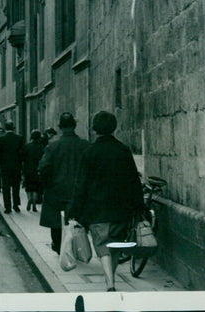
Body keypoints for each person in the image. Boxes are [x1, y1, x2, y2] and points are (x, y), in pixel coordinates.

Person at [69, 111, 145, 292]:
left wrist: (75, 211)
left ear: (95, 129)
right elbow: (133, 181)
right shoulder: (123, 150)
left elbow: (81, 185)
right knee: (116, 245)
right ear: (114, 127)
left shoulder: (90, 152)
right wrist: (139, 207)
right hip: (121, 209)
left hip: (97, 210)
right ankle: (111, 278)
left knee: (102, 245)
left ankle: (110, 283)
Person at [37, 112, 89, 254]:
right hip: (79, 192)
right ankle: (78, 249)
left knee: (57, 224)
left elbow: (43, 169)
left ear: (60, 127)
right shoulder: (85, 145)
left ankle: (61, 249)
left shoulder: (52, 146)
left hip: (56, 192)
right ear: (74, 126)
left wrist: (48, 185)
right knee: (77, 223)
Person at [0, 121, 24, 213]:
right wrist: (20, 164)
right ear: (13, 128)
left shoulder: (1, 139)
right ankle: (16, 205)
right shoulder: (19, 138)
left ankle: (8, 207)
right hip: (16, 167)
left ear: (5, 128)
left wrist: (2, 165)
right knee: (16, 187)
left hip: (5, 168)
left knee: (6, 187)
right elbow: (22, 153)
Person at [21, 130, 46, 212]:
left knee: (28, 187)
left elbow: (23, 159)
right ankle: (34, 203)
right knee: (36, 188)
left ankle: (29, 199)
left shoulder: (26, 146)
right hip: (38, 170)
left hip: (28, 170)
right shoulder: (42, 147)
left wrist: (22, 172)